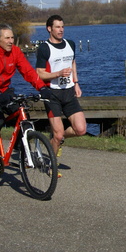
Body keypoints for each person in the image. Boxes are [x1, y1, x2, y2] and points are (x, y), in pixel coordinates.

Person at [0, 23, 52, 152]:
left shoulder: (15, 51)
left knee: (22, 114)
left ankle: (20, 149)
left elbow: (28, 71)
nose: (11, 41)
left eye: (12, 38)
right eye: (7, 38)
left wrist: (42, 88)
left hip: (3, 90)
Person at [36, 14, 87, 156]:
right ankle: (52, 164)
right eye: (57, 27)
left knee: (81, 129)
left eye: (62, 26)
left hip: (69, 92)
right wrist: (58, 74)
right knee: (58, 135)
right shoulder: (44, 48)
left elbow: (72, 62)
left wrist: (76, 83)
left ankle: (56, 139)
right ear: (49, 29)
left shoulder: (70, 44)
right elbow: (39, 73)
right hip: (52, 94)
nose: (61, 30)